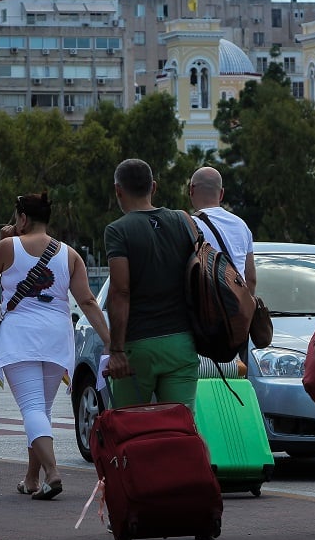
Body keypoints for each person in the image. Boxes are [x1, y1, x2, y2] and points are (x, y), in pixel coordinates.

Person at [0, 192, 109, 500]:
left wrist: (0, 241)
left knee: (32, 408)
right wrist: (111, 341)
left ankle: (52, 472)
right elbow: (87, 300)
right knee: (41, 409)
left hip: (20, 336)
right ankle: (32, 478)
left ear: (22, 218)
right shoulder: (70, 254)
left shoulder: (8, 247)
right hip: (57, 336)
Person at [104, 158, 199, 410]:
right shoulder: (183, 221)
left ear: (118, 190)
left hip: (139, 347)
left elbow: (120, 291)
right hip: (182, 343)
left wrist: (116, 350)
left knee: (131, 427)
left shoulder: (117, 230)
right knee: (183, 429)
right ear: (153, 187)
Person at [188, 166, 257, 294]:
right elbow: (251, 279)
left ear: (191, 189)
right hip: (238, 307)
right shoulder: (241, 226)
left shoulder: (189, 225)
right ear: (221, 194)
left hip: (207, 309)